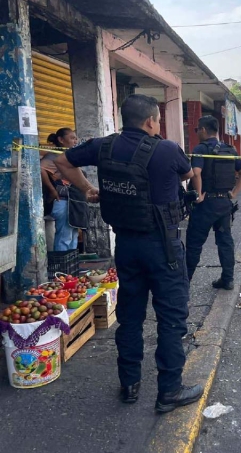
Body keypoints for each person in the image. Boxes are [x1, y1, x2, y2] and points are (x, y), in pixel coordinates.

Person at [53, 94, 203, 413]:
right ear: (150, 121)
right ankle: (169, 392)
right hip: (164, 248)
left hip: (125, 247)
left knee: (130, 317)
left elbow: (62, 162)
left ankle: (130, 385)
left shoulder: (102, 146)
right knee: (171, 319)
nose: (158, 125)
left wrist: (87, 190)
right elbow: (188, 175)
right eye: (158, 121)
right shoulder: (166, 149)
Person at [186, 115, 241, 289]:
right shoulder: (230, 150)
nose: (197, 132)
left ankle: (185, 282)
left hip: (205, 205)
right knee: (225, 241)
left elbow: (196, 172)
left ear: (204, 130)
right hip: (224, 205)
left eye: (197, 129)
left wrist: (198, 195)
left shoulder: (200, 148)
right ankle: (228, 279)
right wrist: (234, 193)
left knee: (194, 243)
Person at [40, 128, 79, 250]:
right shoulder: (54, 156)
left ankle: (71, 265)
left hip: (71, 200)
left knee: (72, 234)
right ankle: (62, 266)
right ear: (61, 140)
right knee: (65, 236)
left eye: (76, 138)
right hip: (61, 201)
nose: (75, 141)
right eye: (72, 138)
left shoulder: (66, 155)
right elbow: (41, 169)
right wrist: (52, 190)